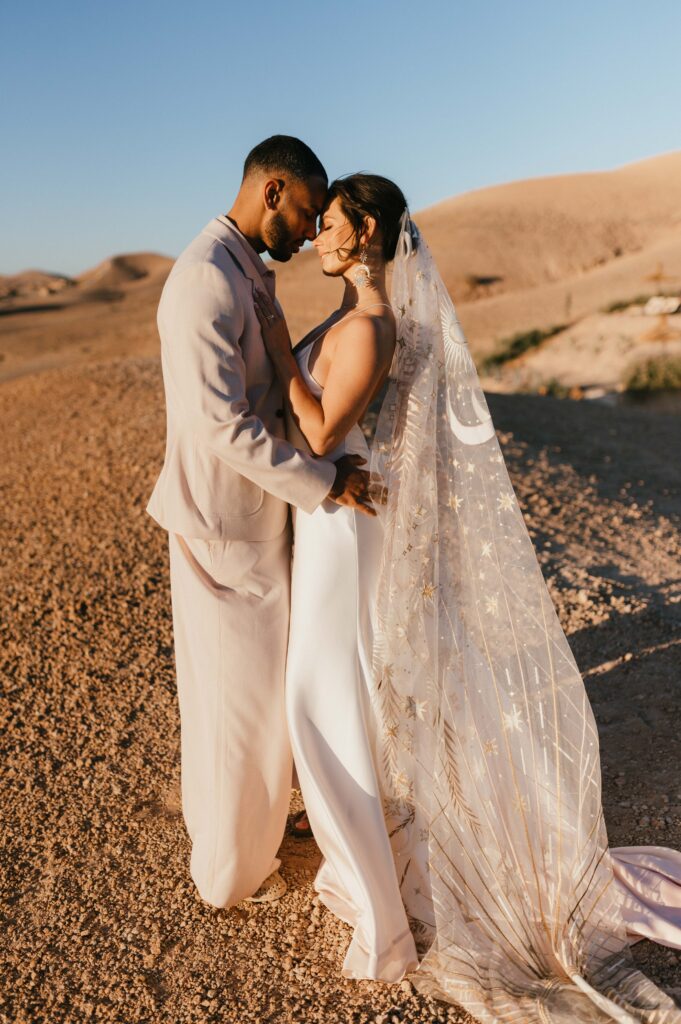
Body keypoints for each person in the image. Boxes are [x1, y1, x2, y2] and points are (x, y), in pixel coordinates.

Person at [254, 173, 681, 1023]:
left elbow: (321, 431)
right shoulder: (344, 318)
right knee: (342, 686)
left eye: (329, 223)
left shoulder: (370, 326)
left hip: (344, 533)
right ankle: (364, 832)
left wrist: (270, 341)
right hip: (328, 523)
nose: (317, 236)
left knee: (320, 688)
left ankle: (368, 856)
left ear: (364, 232)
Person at [146, 137, 375, 909]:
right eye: (306, 211)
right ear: (272, 190)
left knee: (253, 698)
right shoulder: (204, 280)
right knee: (233, 705)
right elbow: (222, 427)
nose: (310, 230)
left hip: (254, 519)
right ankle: (228, 876)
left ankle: (255, 835)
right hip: (222, 524)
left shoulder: (242, 267)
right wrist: (325, 482)